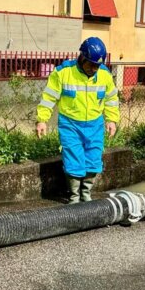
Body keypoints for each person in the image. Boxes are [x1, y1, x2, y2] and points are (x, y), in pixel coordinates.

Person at [35, 37, 119, 203]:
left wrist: (111, 120)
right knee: (73, 159)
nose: (94, 69)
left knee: (94, 159)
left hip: (95, 124)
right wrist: (42, 120)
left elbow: (111, 99)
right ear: (82, 57)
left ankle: (86, 195)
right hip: (70, 124)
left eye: (98, 65)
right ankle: (74, 197)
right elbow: (49, 98)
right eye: (91, 64)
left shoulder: (104, 75)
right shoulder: (63, 72)